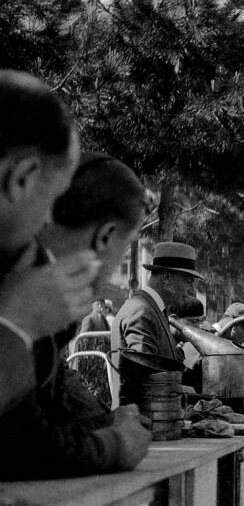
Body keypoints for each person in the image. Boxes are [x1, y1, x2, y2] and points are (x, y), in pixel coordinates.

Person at [1, 145, 153, 478]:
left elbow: (44, 409)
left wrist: (103, 421)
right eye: (124, 250)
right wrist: (117, 445)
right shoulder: (30, 287)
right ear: (106, 236)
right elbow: (25, 444)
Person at [0, 70, 100, 417]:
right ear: (22, 178)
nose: (46, 220)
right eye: (52, 197)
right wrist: (17, 324)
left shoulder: (21, 260)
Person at [113, 241, 205, 401]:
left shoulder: (154, 310)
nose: (191, 290)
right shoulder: (142, 311)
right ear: (167, 278)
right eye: (188, 281)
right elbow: (146, 381)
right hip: (146, 420)